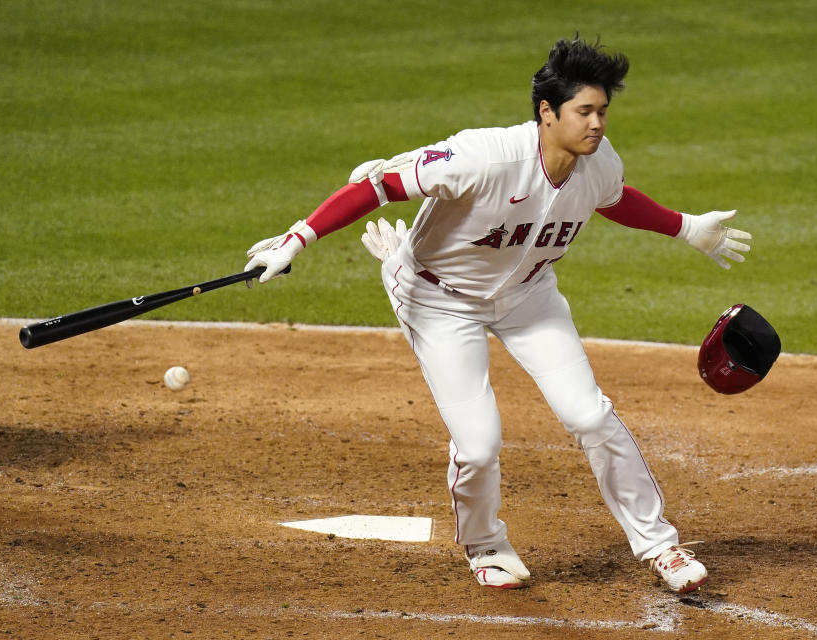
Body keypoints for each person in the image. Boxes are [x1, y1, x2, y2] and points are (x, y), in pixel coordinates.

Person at [244, 36, 750, 594]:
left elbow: (616, 198)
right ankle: (486, 545)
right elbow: (378, 185)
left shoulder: (598, 162)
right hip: (439, 300)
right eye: (585, 111)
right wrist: (296, 239)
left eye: (603, 111)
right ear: (547, 112)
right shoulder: (485, 155)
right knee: (479, 443)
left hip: (529, 297)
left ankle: (661, 547)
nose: (597, 124)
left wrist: (686, 227)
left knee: (590, 416)